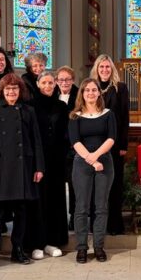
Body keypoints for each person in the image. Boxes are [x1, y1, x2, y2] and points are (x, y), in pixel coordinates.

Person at [0, 74, 44, 269]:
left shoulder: (29, 111)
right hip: (1, 169)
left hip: (24, 166)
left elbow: (36, 140)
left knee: (22, 212)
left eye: (15, 89)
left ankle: (18, 250)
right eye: (8, 89)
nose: (11, 92)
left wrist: (39, 167)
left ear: (20, 90)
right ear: (2, 91)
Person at [68, 78, 117, 263]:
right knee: (81, 207)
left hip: (104, 161)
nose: (90, 93)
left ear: (99, 93)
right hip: (82, 162)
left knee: (101, 207)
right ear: (82, 93)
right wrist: (90, 160)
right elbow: (75, 141)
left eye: (94, 90)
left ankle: (98, 246)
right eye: (87, 90)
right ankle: (81, 248)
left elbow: (112, 138)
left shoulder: (108, 114)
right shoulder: (74, 115)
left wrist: (96, 156)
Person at [28, 70, 70, 258]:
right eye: (44, 82)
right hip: (37, 161)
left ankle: (53, 242)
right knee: (38, 201)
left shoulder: (62, 106)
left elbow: (65, 134)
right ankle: (37, 243)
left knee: (55, 200)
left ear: (56, 85)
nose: (47, 86)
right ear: (38, 84)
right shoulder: (30, 106)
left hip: (57, 161)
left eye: (51, 83)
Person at [90, 54, 129, 235]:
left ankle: (114, 224)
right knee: (96, 184)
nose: (104, 70)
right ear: (96, 69)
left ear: (112, 69)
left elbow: (124, 118)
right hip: (94, 145)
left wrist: (123, 145)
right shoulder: (91, 88)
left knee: (114, 184)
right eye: (101, 67)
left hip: (114, 145)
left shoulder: (120, 88)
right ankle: (97, 224)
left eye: (107, 67)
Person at [56, 65, 79, 229]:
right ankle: (58, 219)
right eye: (61, 79)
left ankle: (74, 217)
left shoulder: (79, 96)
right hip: (56, 148)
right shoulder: (52, 94)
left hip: (73, 146)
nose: (64, 82)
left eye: (68, 79)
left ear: (73, 80)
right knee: (57, 185)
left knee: (74, 184)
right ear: (56, 81)